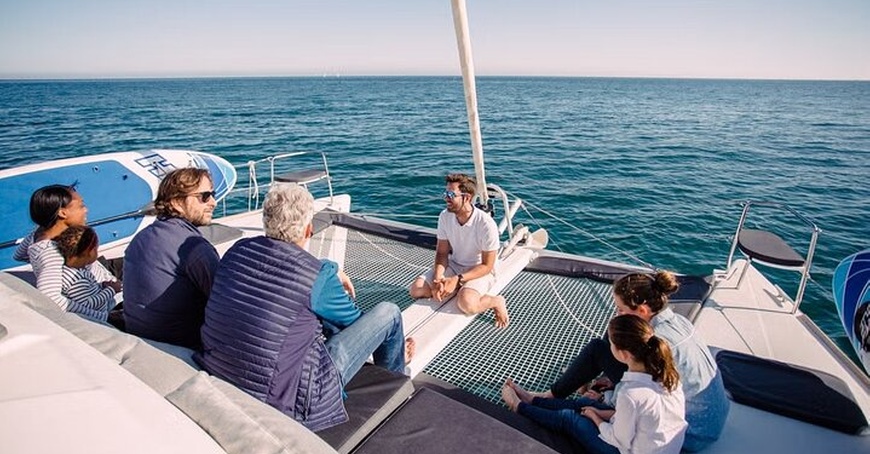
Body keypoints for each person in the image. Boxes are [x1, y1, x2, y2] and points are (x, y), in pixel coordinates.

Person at [195, 184, 414, 432]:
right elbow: (355, 324)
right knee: (389, 313)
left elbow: (277, 270)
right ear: (309, 229)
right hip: (287, 402)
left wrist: (328, 268)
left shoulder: (237, 251)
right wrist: (328, 273)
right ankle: (395, 380)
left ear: (267, 220)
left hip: (222, 374)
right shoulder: (315, 277)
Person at [509, 271, 729, 452]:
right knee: (610, 336)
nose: (616, 313)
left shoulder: (658, 341)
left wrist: (609, 396)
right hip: (709, 421)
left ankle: (542, 399)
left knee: (598, 349)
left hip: (689, 433)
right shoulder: (679, 322)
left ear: (642, 310)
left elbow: (645, 396)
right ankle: (545, 398)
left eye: (621, 309)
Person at [502, 314, 687, 454]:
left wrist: (595, 418)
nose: (608, 347)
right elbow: (638, 417)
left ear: (623, 354)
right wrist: (597, 411)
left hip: (625, 450)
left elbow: (619, 440)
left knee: (570, 418)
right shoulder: (669, 377)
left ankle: (519, 406)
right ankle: (532, 400)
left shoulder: (632, 393)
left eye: (611, 344)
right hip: (654, 443)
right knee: (585, 404)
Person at [123, 167, 219, 349]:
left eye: (212, 194)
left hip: (140, 336)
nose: (213, 202)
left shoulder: (140, 237)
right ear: (176, 202)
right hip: (181, 347)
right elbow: (224, 300)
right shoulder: (193, 248)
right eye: (204, 196)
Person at [408, 173, 508, 328]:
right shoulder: (445, 216)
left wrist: (457, 279)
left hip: (479, 270)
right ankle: (453, 287)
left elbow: (487, 266)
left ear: (466, 197)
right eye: (445, 193)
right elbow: (442, 253)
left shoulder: (486, 224)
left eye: (450, 194)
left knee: (466, 304)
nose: (446, 198)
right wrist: (438, 279)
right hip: (455, 265)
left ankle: (495, 301)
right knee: (416, 290)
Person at [13, 184, 118, 317]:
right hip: (103, 295)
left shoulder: (38, 233)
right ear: (62, 213)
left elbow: (19, 255)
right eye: (81, 206)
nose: (86, 210)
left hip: (97, 272)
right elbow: (51, 298)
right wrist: (101, 317)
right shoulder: (51, 253)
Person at [53, 225, 121, 322]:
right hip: (104, 314)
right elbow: (88, 304)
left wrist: (102, 285)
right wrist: (112, 290)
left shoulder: (79, 269)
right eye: (96, 249)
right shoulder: (76, 280)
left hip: (105, 303)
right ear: (89, 252)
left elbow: (88, 291)